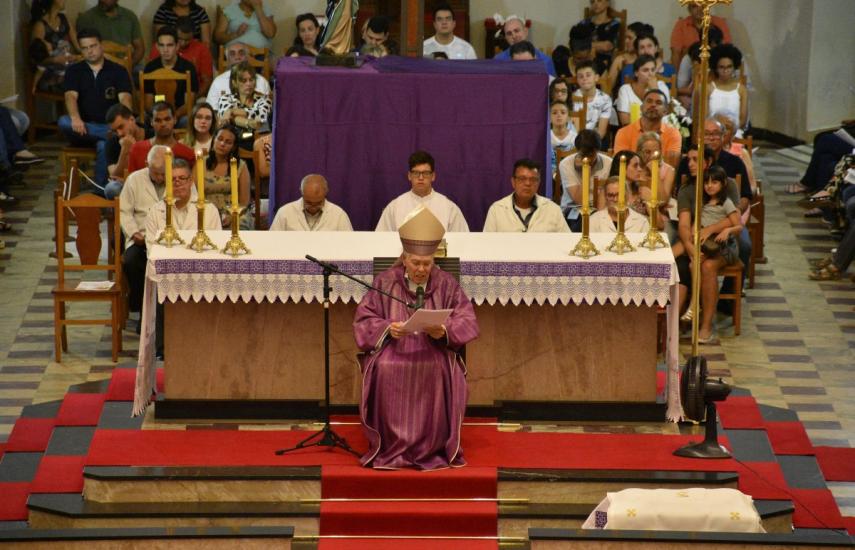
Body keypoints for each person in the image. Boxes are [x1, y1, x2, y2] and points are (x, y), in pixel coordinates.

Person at [355, 205, 479, 470]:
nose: (422, 269)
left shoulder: (446, 283)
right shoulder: (385, 282)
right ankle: (390, 445)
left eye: (427, 263)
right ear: (404, 259)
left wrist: (444, 330)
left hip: (433, 349)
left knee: (436, 369)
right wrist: (388, 327)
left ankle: (430, 447)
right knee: (386, 368)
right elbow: (364, 319)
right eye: (416, 263)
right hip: (394, 349)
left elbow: (468, 320)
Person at [675, 166, 742, 344]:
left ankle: (706, 324)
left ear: (722, 183)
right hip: (705, 243)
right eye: (706, 182)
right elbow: (693, 223)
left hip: (723, 246)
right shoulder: (701, 200)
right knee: (692, 263)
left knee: (708, 266)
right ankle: (693, 305)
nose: (709, 186)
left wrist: (726, 230)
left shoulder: (726, 200)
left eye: (714, 182)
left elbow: (738, 225)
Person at [61, 28, 133, 188]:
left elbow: (125, 98)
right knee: (63, 121)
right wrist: (75, 118)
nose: (90, 51)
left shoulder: (118, 70)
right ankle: (112, 135)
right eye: (85, 48)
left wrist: (126, 122)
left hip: (109, 125)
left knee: (103, 145)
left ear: (101, 45)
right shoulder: (74, 71)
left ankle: (100, 191)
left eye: (93, 46)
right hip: (82, 127)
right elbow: (70, 96)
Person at [120, 145, 169, 315]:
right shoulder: (134, 180)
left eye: (164, 173)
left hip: (169, 240)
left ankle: (167, 312)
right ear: (147, 164)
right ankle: (142, 309)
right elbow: (124, 211)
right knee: (132, 261)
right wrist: (134, 233)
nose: (160, 177)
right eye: (156, 173)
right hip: (141, 238)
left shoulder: (180, 179)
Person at [376, 150, 469, 232]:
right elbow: (381, 240)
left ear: (433, 176)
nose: (421, 177)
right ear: (409, 176)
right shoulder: (394, 207)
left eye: (426, 173)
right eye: (416, 173)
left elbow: (462, 241)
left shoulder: (449, 208)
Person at [144, 157, 221, 251]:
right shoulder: (155, 211)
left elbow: (214, 247)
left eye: (182, 178)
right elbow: (152, 249)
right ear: (166, 183)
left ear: (191, 181)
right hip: (166, 264)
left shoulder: (209, 210)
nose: (177, 183)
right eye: (172, 179)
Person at [483, 159, 570, 233]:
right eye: (522, 179)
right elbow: (487, 245)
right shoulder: (497, 210)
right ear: (513, 182)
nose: (528, 183)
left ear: (539, 183)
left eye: (533, 179)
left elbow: (566, 242)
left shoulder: (553, 209)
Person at [559, 130, 613, 231]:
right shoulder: (566, 164)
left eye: (591, 155)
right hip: (573, 208)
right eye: (583, 155)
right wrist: (586, 171)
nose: (587, 159)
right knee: (579, 227)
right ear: (577, 150)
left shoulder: (608, 163)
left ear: (597, 151)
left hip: (601, 208)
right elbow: (579, 200)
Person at [142, 26, 199, 122]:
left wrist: (173, 116)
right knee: (141, 120)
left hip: (180, 116)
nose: (165, 50)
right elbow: (148, 103)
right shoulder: (150, 67)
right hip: (156, 115)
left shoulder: (188, 68)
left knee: (187, 121)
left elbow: (189, 103)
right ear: (157, 46)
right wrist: (160, 117)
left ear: (177, 46)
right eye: (162, 45)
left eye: (169, 45)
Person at [613, 89, 682, 168]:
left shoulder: (673, 134)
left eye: (658, 103)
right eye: (649, 101)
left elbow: (670, 166)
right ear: (641, 107)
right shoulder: (624, 132)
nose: (653, 105)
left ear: (665, 111)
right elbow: (621, 165)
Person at [149, 17, 214, 96]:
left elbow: (206, 81)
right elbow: (150, 79)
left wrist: (192, 99)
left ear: (193, 36)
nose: (183, 43)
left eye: (187, 40)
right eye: (180, 39)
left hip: (193, 95)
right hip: (160, 96)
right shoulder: (161, 48)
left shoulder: (202, 49)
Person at [127, 102, 195, 174]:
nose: (163, 124)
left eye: (167, 119)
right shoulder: (137, 149)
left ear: (175, 119)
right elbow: (131, 181)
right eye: (158, 120)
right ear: (151, 122)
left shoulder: (187, 154)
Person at [204, 125, 250, 229]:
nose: (222, 144)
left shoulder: (240, 166)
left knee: (240, 224)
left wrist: (231, 216)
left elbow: (244, 201)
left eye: (228, 142)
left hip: (234, 212)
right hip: (207, 212)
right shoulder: (201, 163)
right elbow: (194, 195)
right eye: (219, 139)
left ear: (233, 147)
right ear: (213, 140)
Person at [270, 174, 353, 231]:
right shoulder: (284, 212)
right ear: (301, 192)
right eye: (308, 202)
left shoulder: (339, 215)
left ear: (326, 193)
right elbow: (272, 242)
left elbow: (349, 244)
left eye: (318, 203)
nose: (313, 206)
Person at [29, 0, 79, 94]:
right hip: (49, 74)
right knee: (84, 81)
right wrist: (55, 60)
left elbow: (79, 47)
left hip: (66, 66)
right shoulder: (40, 25)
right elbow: (36, 57)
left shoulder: (64, 19)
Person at [76, 0, 145, 67]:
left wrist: (129, 65)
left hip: (127, 64)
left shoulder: (130, 17)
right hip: (98, 66)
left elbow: (140, 48)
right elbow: (82, 50)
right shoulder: (86, 18)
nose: (102, 1)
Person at [103, 103, 152, 198]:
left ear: (132, 120)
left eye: (121, 127)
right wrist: (124, 151)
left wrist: (130, 179)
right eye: (115, 130)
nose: (119, 133)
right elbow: (113, 176)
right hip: (126, 185)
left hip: (150, 182)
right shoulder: (112, 142)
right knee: (112, 188)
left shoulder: (151, 135)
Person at [217, 60, 272, 142]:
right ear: (235, 83)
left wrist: (232, 111)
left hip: (257, 141)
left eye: (251, 79)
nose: (248, 84)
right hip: (230, 141)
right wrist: (249, 123)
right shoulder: (225, 99)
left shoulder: (264, 99)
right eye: (244, 80)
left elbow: (261, 116)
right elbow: (226, 119)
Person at [206, 42, 270, 112]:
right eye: (232, 54)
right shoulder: (218, 82)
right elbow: (211, 110)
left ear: (247, 57)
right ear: (227, 59)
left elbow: (266, 112)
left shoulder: (261, 81)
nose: (237, 57)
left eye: (241, 53)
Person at [614, 55, 671, 127]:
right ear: (636, 73)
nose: (650, 74)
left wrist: (655, 90)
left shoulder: (662, 86)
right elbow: (625, 122)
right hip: (633, 132)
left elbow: (664, 116)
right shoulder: (625, 90)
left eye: (653, 70)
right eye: (645, 70)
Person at [670, 3, 731, 68]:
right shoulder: (681, 25)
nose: (700, 9)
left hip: (716, 69)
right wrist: (675, 76)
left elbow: (727, 49)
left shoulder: (719, 23)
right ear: (689, 10)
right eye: (695, 6)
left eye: (703, 6)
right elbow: (675, 54)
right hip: (689, 69)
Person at [708, 44, 748, 133]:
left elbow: (743, 121)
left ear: (734, 68)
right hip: (712, 133)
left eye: (729, 67)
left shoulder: (741, 89)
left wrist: (731, 127)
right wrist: (716, 119)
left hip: (735, 133)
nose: (725, 71)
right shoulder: (709, 88)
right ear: (716, 68)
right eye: (721, 67)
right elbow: (703, 117)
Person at [571, 60, 612, 139]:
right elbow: (573, 129)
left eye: (588, 75)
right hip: (575, 140)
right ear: (577, 80)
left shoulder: (605, 99)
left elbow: (601, 132)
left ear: (596, 77)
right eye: (581, 76)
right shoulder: (572, 99)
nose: (584, 79)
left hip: (595, 141)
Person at [607, 21, 653, 91]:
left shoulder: (650, 59)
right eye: (626, 38)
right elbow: (608, 87)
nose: (626, 41)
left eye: (630, 38)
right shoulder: (620, 59)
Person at [578, 0, 621, 74]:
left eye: (599, 0)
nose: (595, 3)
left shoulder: (614, 24)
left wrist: (585, 44)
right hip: (583, 59)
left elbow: (607, 46)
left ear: (607, 3)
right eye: (593, 1)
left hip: (603, 61)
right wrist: (597, 45)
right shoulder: (584, 23)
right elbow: (575, 43)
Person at [550, 101, 578, 176]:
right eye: (554, 113)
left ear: (568, 118)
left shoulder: (575, 138)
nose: (559, 115)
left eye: (563, 112)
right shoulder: (546, 137)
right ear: (549, 118)